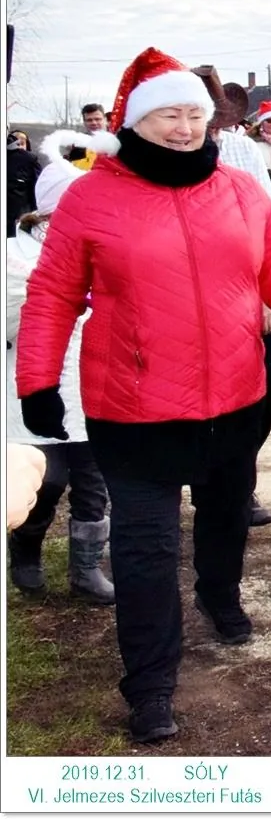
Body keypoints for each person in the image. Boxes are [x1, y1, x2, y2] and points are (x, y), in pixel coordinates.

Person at [14, 47, 271, 744]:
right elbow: (51, 295)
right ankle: (150, 686)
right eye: (168, 114)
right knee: (145, 552)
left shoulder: (239, 190)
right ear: (135, 121)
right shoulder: (91, 198)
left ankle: (219, 595)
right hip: (134, 409)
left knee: (225, 517)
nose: (184, 127)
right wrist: (38, 382)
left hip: (236, 397)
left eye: (194, 114)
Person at [7, 130, 114, 605]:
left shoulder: (102, 253)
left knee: (94, 485)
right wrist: (46, 293)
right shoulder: (15, 258)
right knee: (44, 483)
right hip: (36, 392)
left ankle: (86, 570)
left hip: (92, 391)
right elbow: (13, 323)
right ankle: (25, 549)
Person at [198, 73, 271, 527]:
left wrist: (268, 297)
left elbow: (268, 223)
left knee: (266, 389)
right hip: (190, 299)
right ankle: (206, 485)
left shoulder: (242, 151)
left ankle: (238, 484)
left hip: (245, 291)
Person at [6, 128, 39, 237]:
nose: (20, 147)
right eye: (18, 144)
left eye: (22, 143)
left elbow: (37, 190)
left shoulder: (29, 160)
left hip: (20, 219)